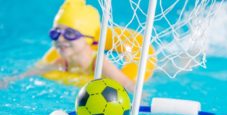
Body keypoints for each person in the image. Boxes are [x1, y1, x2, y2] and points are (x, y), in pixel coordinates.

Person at [0, 0, 135, 92]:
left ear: (89, 38)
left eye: (70, 33)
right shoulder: (61, 62)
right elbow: (32, 72)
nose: (60, 38)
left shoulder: (99, 63)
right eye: (55, 33)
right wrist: (9, 80)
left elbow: (128, 85)